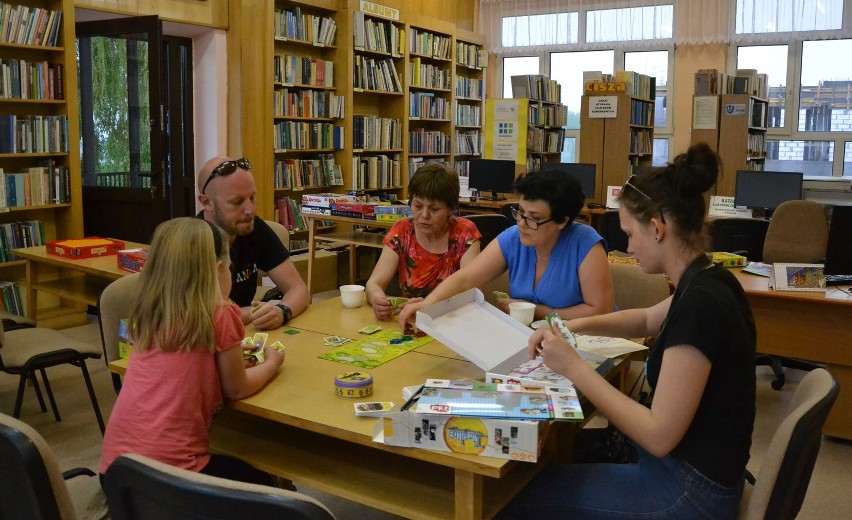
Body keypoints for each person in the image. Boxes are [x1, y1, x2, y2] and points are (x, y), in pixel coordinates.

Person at [496, 143, 756, 519]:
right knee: (540, 458)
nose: (629, 248)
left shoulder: (701, 304)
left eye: (630, 235)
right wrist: (567, 323)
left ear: (657, 229)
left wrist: (574, 367)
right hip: (692, 469)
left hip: (689, 491)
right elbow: (647, 320)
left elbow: (657, 435)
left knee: (514, 496)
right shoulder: (708, 278)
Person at [99, 218, 284, 485]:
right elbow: (237, 389)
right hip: (174, 479)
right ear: (220, 269)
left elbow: (181, 365)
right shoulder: (221, 312)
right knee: (268, 488)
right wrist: (272, 363)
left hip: (116, 474)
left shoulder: (152, 310)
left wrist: (225, 356)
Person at [398, 169, 613, 328]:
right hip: (531, 339)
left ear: (562, 221)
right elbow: (466, 278)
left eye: (535, 218)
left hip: (586, 339)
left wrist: (536, 311)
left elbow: (600, 311)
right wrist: (428, 304)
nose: (521, 223)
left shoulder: (586, 244)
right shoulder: (515, 237)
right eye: (519, 212)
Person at [197, 156, 309, 330]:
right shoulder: (189, 244)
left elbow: (299, 290)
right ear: (206, 202)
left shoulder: (256, 228)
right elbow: (202, 320)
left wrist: (282, 311)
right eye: (237, 202)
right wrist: (254, 312)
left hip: (244, 333)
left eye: (252, 197)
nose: (250, 209)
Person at [366, 163, 482, 320]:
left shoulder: (465, 232)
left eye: (434, 209)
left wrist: (429, 304)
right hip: (410, 319)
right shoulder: (402, 230)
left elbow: (471, 290)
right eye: (418, 206)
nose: (424, 215)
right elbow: (374, 283)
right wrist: (377, 299)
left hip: (453, 321)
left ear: (450, 209)